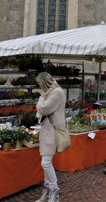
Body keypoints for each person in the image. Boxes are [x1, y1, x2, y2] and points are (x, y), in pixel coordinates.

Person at [35, 72, 66, 202]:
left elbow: (43, 109)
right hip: (46, 130)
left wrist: (41, 98)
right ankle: (48, 191)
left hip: (52, 132)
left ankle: (54, 191)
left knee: (46, 163)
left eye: (40, 83)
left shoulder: (56, 92)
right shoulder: (50, 92)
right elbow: (41, 111)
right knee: (46, 162)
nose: (39, 86)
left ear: (44, 82)